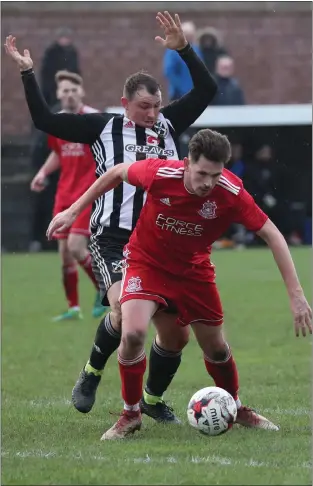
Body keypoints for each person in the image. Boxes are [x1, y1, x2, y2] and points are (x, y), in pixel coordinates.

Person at [5, 11, 218, 423]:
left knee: (176, 334)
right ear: (125, 104)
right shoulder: (102, 128)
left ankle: (154, 400)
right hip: (115, 238)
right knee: (123, 310)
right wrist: (28, 74)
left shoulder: (170, 125)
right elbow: (44, 120)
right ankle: (91, 373)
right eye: (144, 107)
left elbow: (207, 88)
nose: (153, 113)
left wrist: (185, 50)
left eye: (157, 106)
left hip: (166, 242)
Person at [47, 128, 312, 440]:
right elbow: (117, 172)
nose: (207, 183)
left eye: (215, 175)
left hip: (194, 271)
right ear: (187, 163)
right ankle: (130, 415)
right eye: (202, 173)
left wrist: (297, 296)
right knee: (132, 333)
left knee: (214, 347)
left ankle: (236, 407)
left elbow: (273, 235)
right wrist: (73, 210)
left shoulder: (230, 191)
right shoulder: (161, 174)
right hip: (147, 264)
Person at [30, 70, 106, 321]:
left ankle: (104, 290)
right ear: (59, 94)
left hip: (87, 193)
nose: (70, 94)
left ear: (81, 92)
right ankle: (74, 308)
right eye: (65, 90)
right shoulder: (56, 122)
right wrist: (42, 173)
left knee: (76, 246)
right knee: (64, 254)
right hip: (64, 192)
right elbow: (58, 152)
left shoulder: (93, 118)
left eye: (74, 90)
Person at [40, 27, 81, 107]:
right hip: (53, 90)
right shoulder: (52, 52)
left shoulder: (72, 52)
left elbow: (75, 70)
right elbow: (46, 72)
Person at [163, 21, 203, 101]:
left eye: (191, 34)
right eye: (187, 34)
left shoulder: (196, 49)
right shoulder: (173, 50)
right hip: (179, 93)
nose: (190, 37)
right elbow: (169, 71)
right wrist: (182, 88)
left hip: (195, 92)